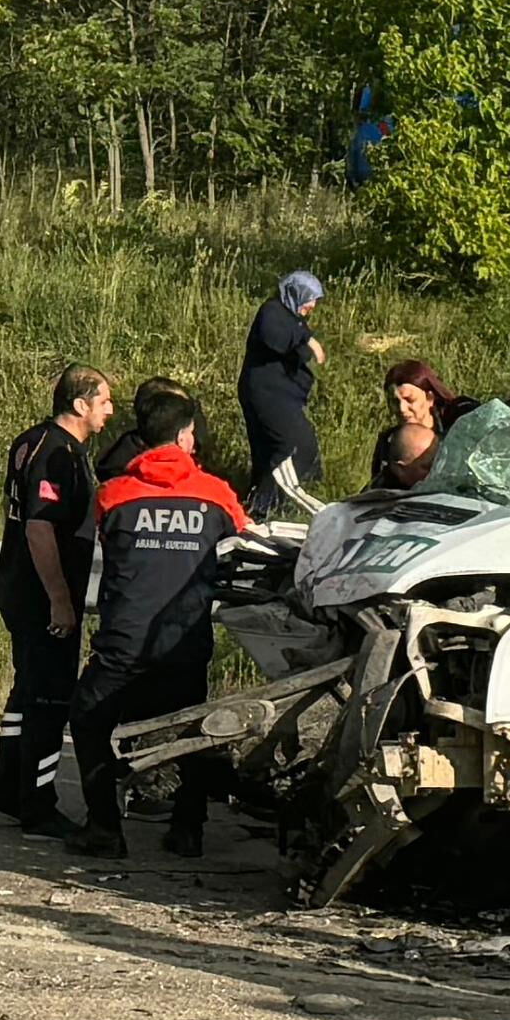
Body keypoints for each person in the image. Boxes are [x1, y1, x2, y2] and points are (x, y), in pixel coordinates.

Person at [73, 382, 248, 859]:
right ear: (186, 436)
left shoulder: (112, 495)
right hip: (184, 643)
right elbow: (244, 543)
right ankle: (188, 828)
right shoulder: (217, 495)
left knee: (90, 719)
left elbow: (111, 551)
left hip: (123, 643)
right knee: (192, 730)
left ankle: (105, 828)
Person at [0, 367, 115, 833]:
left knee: (26, 689)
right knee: (49, 697)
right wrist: (61, 601)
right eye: (104, 401)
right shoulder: (58, 454)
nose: (110, 411)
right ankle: (37, 804)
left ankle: (7, 787)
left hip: (19, 583)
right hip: (41, 592)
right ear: (80, 405)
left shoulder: (30, 440)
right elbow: (39, 528)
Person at [240, 271, 327, 512]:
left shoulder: (290, 316)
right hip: (267, 396)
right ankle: (262, 509)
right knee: (297, 446)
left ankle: (258, 505)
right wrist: (308, 340)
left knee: (269, 452)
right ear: (294, 293)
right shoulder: (272, 312)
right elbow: (276, 338)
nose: (312, 305)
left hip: (276, 395)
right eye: (308, 298)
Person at [371, 358, 457, 490]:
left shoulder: (456, 432)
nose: (402, 409)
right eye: (395, 402)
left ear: (430, 398)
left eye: (410, 400)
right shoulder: (388, 442)